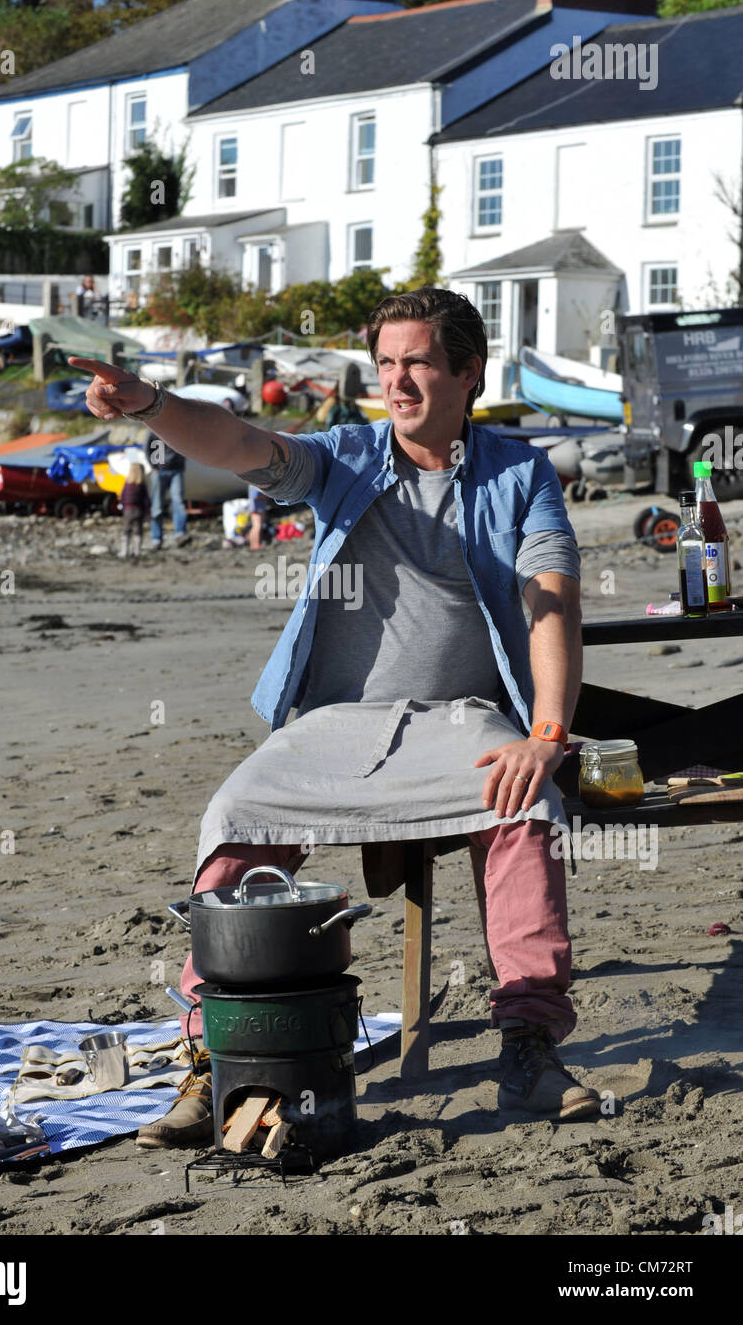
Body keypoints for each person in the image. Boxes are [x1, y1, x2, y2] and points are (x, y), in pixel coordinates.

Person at [68, 287, 599, 1149]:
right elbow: (242, 442)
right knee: (235, 815)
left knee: (525, 802)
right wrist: (151, 405)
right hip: (331, 723)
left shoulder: (519, 474)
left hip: (461, 722)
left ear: (468, 372)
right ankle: (218, 1063)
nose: (398, 381)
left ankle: (530, 1047)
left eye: (419, 362)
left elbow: (550, 599)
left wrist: (547, 730)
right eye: (387, 364)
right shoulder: (347, 457)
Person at [144, 425, 189, 549]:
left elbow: (187, 447)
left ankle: (180, 534)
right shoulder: (154, 429)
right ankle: (156, 538)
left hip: (176, 470)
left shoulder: (180, 430)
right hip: (159, 471)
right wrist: (153, 466)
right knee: (157, 506)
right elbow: (147, 448)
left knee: (178, 503)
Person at [118, 462, 149, 558]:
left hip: (128, 509)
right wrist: (147, 510)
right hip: (138, 510)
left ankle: (124, 551)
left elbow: (122, 497)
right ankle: (137, 551)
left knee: (126, 530)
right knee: (138, 530)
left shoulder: (127, 484)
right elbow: (146, 499)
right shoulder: (141, 485)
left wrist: (122, 506)